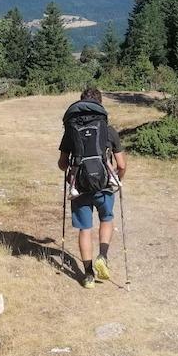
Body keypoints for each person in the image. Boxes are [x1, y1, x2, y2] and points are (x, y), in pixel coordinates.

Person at [58, 87, 127, 288]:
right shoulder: (108, 130)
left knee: (85, 229)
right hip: (104, 185)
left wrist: (72, 167)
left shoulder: (70, 131)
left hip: (79, 186)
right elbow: (121, 164)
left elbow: (62, 163)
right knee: (106, 219)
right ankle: (102, 257)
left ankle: (88, 275)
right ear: (100, 104)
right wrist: (116, 178)